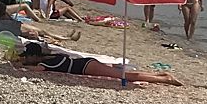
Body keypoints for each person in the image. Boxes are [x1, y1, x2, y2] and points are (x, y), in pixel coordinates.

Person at [9, 40, 180, 85]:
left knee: (124, 76)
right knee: (122, 74)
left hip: (86, 67)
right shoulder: (50, 56)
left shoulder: (46, 64)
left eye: (27, 57)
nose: (26, 59)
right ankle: (159, 74)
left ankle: (165, 79)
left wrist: (19, 65)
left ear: (34, 56)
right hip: (86, 64)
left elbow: (35, 70)